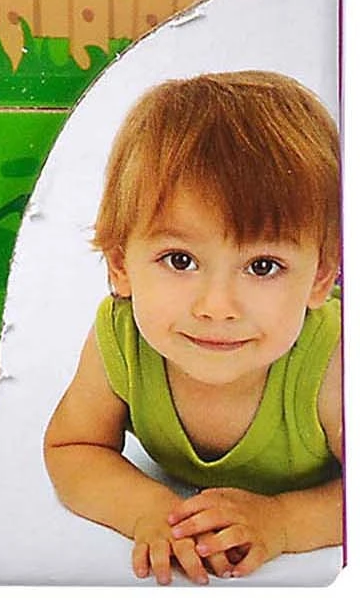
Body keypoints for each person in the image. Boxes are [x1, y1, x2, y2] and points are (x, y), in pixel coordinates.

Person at [44, 72, 341, 584]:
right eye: (180, 259)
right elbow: (73, 448)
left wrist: (284, 521)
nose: (217, 307)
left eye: (263, 266)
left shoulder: (334, 363)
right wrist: (150, 511)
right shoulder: (122, 339)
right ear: (120, 264)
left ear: (320, 278)